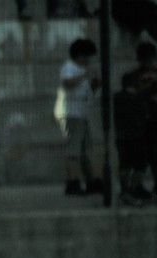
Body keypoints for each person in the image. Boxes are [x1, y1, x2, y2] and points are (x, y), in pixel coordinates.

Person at [124, 41, 157, 200]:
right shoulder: (133, 75)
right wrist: (147, 86)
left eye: (151, 58)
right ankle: (135, 186)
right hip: (143, 119)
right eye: (146, 59)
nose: (149, 62)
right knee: (142, 154)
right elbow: (131, 93)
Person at [55, 38, 102, 196]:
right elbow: (67, 83)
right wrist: (85, 75)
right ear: (79, 55)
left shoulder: (83, 70)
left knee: (86, 150)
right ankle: (73, 182)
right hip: (72, 114)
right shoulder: (70, 67)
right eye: (86, 56)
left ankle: (91, 181)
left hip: (83, 113)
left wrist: (95, 83)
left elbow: (90, 91)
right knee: (74, 151)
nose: (88, 60)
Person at [113, 71, 150, 205]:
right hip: (136, 135)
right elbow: (144, 116)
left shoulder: (117, 98)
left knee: (125, 164)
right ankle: (132, 190)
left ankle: (125, 191)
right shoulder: (139, 98)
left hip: (122, 135)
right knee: (140, 164)